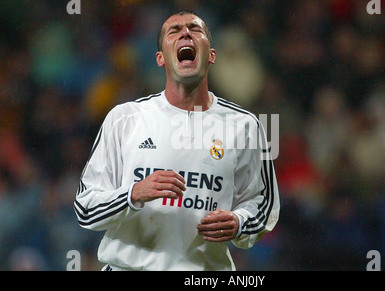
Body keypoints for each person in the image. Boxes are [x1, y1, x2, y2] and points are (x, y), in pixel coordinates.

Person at [73, 11, 280, 271]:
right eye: (174, 30)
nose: (185, 33)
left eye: (195, 29)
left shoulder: (246, 126)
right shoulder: (124, 118)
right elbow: (85, 208)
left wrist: (239, 222)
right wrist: (134, 193)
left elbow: (263, 203)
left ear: (211, 55)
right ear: (160, 59)